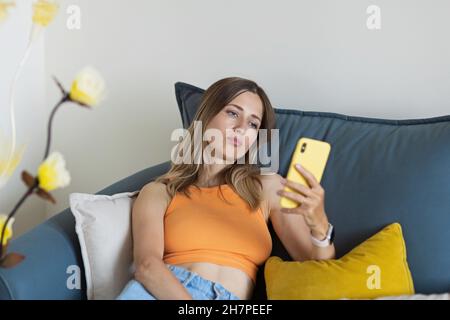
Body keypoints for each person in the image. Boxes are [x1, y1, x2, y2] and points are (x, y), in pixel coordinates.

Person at [116, 77, 335, 300]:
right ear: (207, 115)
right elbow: (146, 266)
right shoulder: (159, 192)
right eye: (232, 113)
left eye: (253, 123)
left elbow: (318, 272)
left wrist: (320, 226)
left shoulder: (266, 187)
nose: (241, 128)